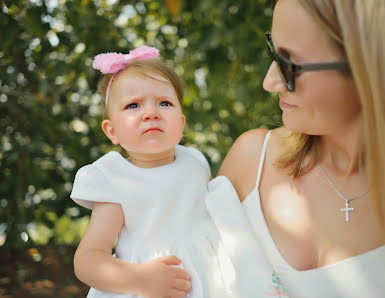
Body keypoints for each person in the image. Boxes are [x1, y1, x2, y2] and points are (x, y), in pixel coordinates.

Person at [218, 0, 385, 297]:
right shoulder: (251, 162)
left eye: (289, 65)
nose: (269, 81)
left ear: (375, 69)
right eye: (273, 52)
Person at [71, 46, 284, 298]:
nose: (151, 113)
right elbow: (87, 259)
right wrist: (138, 279)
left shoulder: (195, 161)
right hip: (147, 284)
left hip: (210, 280)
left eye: (164, 103)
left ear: (181, 124)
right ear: (112, 131)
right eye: (133, 106)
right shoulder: (116, 179)